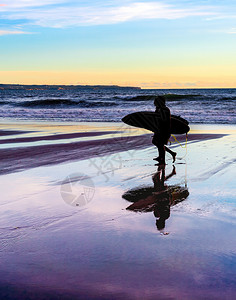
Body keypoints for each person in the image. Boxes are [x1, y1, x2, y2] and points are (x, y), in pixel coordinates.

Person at [152, 96, 176, 165]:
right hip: (158, 129)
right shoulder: (159, 109)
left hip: (164, 130)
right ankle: (171, 153)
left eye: (155, 102)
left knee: (160, 144)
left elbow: (164, 120)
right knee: (156, 142)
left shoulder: (165, 109)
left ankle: (162, 160)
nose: (154, 103)